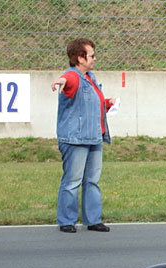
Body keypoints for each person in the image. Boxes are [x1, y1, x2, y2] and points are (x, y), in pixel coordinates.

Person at [51, 38, 115, 233]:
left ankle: (93, 219)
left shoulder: (90, 77)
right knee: (72, 181)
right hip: (76, 139)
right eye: (91, 55)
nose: (95, 58)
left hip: (94, 137)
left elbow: (88, 104)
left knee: (92, 180)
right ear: (80, 57)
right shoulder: (73, 76)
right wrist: (60, 81)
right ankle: (66, 220)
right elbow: (67, 80)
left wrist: (107, 103)